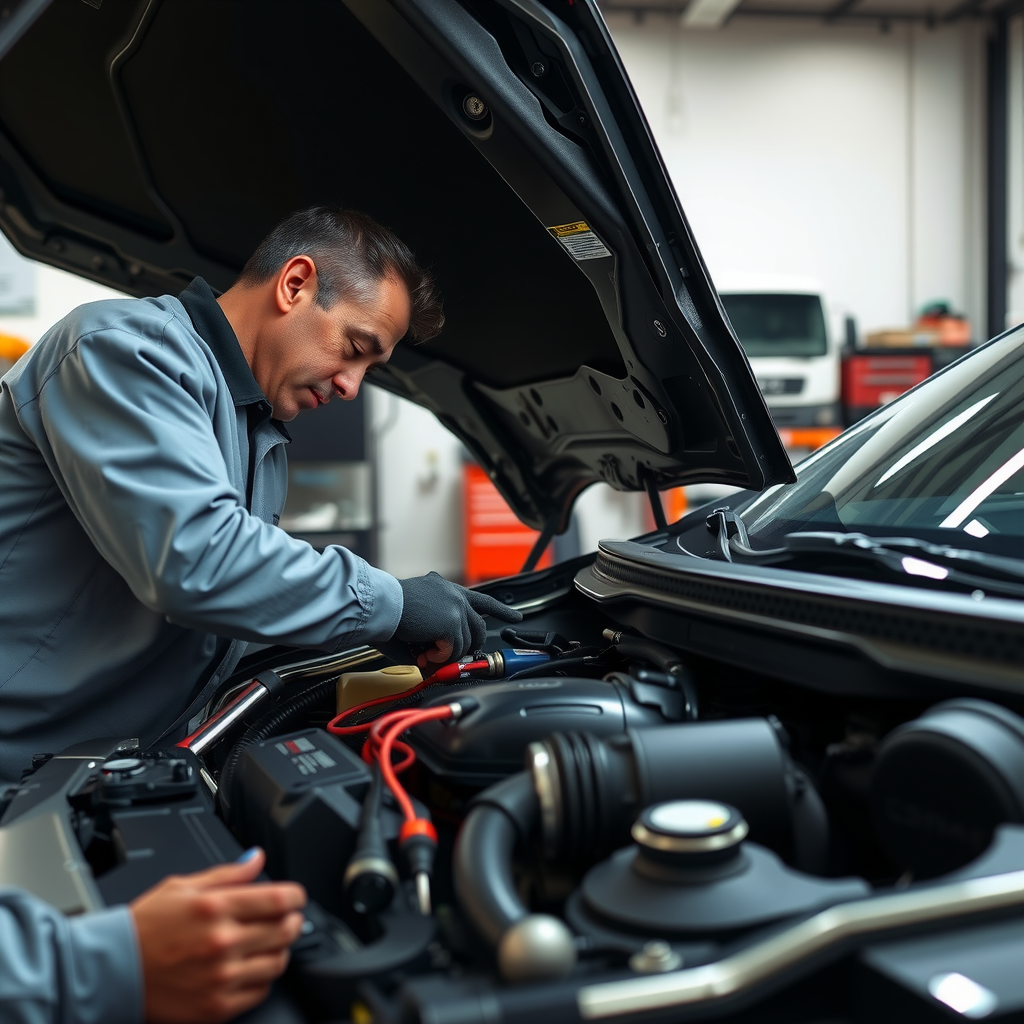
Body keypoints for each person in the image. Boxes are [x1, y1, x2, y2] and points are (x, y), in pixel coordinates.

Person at [0, 205, 522, 1020]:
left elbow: (222, 627)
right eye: (356, 350)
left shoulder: (256, 434)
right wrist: (389, 602)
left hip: (91, 776)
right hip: (16, 772)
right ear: (296, 283)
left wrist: (369, 653)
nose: (352, 387)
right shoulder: (121, 351)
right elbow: (195, 564)